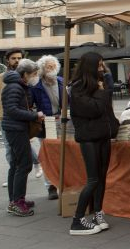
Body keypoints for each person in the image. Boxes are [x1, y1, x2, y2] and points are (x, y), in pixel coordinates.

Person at [68, 52, 119, 235]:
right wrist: (101, 91)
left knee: (102, 177)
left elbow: (106, 110)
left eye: (102, 65)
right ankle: (77, 220)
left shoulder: (99, 84)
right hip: (89, 138)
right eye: (99, 65)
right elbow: (95, 109)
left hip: (103, 136)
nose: (102, 68)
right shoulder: (78, 87)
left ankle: (98, 212)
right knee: (93, 179)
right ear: (90, 67)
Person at [1, 59, 44, 217]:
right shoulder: (15, 87)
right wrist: (34, 115)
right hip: (15, 129)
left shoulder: (17, 85)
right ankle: (17, 202)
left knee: (16, 164)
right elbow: (12, 110)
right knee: (24, 165)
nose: (35, 77)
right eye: (33, 74)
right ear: (24, 74)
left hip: (15, 129)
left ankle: (15, 200)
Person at [29, 55, 62, 200]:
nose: (52, 69)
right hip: (45, 124)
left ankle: (64, 182)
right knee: (48, 156)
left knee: (63, 154)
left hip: (62, 122)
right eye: (49, 66)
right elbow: (30, 106)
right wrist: (38, 114)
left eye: (54, 66)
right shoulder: (36, 86)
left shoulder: (61, 82)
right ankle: (51, 186)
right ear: (42, 69)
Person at [0, 48, 24, 188]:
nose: (17, 61)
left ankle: (30, 167)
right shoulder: (1, 77)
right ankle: (13, 173)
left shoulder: (24, 77)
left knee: (25, 149)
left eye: (19, 58)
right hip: (5, 119)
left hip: (21, 119)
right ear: (8, 60)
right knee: (8, 149)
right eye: (14, 58)